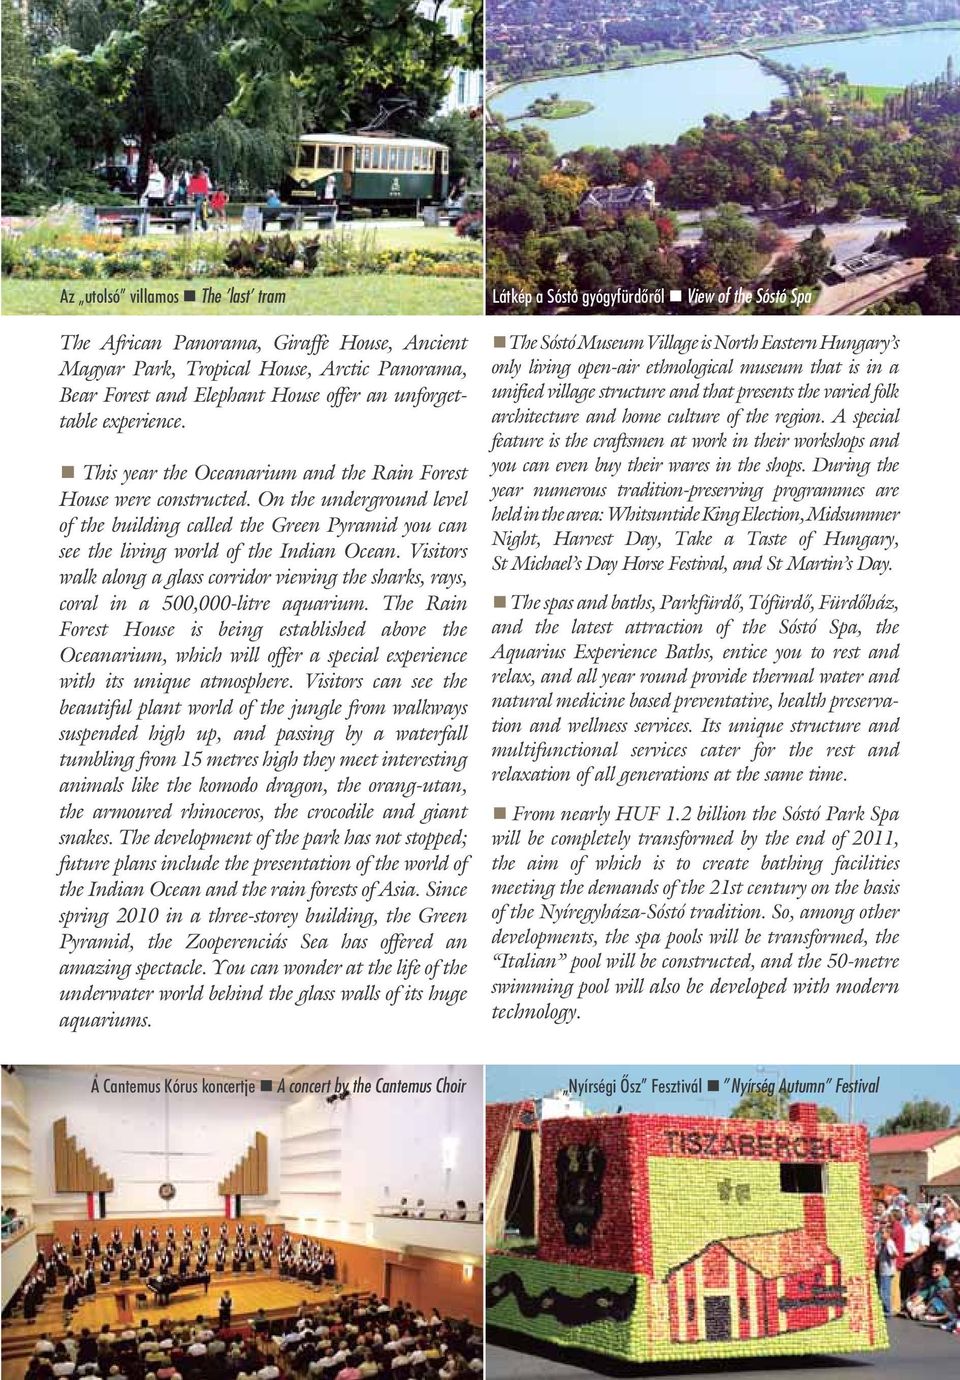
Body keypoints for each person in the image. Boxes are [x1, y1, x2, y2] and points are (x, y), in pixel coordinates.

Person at [876, 1222, 897, 1316]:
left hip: (887, 1270)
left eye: (883, 1233)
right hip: (882, 1269)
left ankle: (888, 1309)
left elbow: (895, 1253)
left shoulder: (889, 1243)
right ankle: (884, 1307)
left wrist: (892, 1255)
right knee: (882, 1290)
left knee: (885, 1291)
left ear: (888, 1234)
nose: (881, 1234)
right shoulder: (883, 1243)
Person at [187, 162, 211, 229]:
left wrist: (190, 196)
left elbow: (191, 188)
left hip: (195, 196)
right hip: (202, 196)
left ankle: (195, 222)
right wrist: (207, 197)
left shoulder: (192, 176)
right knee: (204, 209)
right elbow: (205, 188)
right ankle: (205, 226)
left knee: (198, 205)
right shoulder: (204, 176)